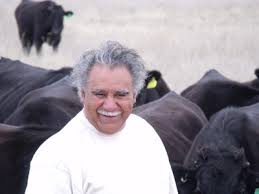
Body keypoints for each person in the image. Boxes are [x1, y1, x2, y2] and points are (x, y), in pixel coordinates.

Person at [25, 41, 178, 194]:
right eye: (100, 94)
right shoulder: (55, 158)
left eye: (121, 94)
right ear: (82, 94)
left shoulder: (146, 134)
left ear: (135, 95)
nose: (110, 105)